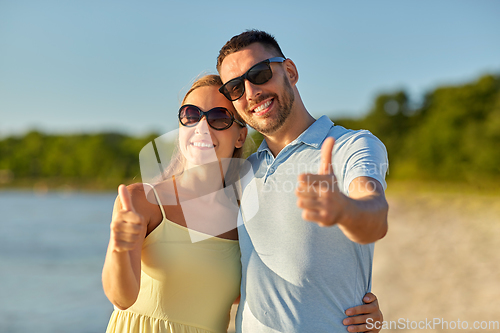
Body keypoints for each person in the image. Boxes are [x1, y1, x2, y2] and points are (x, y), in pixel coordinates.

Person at [102, 75, 384, 333]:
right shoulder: (141, 200)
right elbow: (122, 298)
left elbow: (270, 283)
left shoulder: (245, 211)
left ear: (240, 135)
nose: (202, 126)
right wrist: (119, 245)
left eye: (219, 117)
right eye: (191, 115)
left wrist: (357, 305)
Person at [216, 30, 389, 332]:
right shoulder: (241, 173)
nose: (251, 92)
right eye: (234, 88)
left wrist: (345, 210)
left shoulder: (351, 146)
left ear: (290, 72)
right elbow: (224, 277)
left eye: (259, 73)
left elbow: (374, 214)